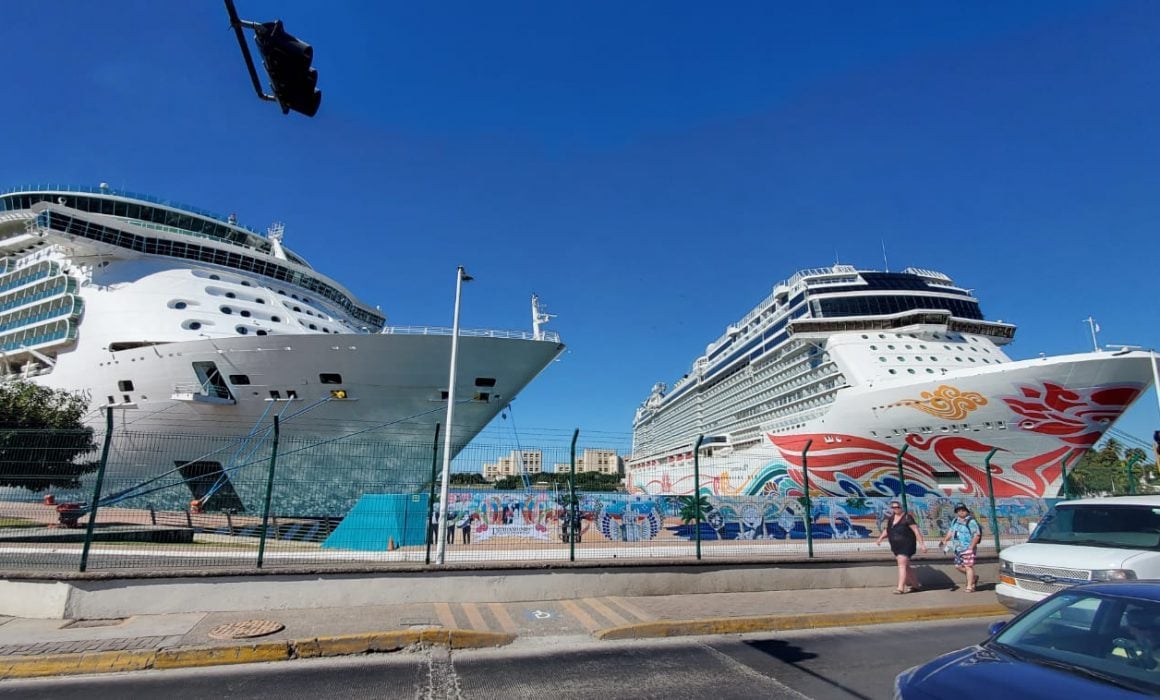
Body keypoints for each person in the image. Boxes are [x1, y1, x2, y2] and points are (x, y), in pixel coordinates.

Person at [876, 499, 925, 594]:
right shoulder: (891, 518)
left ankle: (900, 588)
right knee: (906, 566)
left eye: (897, 507)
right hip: (896, 546)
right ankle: (915, 585)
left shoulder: (907, 517)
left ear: (901, 507)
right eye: (893, 507)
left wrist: (922, 544)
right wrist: (880, 538)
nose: (895, 509)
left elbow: (916, 530)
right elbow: (888, 529)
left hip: (906, 545)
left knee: (901, 565)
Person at [941, 503, 982, 592]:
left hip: (967, 547)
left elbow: (976, 535)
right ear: (956, 512)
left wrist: (971, 547)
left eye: (963, 510)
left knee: (968, 566)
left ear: (966, 510)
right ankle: (974, 577)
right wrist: (945, 540)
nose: (961, 512)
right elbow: (951, 531)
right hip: (957, 548)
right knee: (958, 566)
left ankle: (970, 586)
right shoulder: (955, 521)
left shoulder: (971, 522)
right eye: (959, 511)